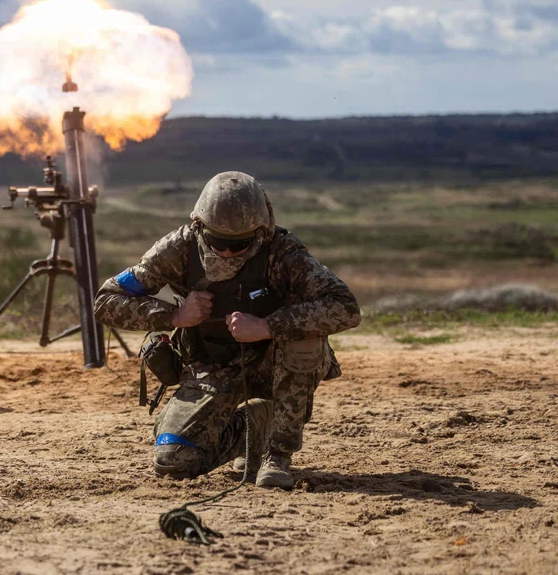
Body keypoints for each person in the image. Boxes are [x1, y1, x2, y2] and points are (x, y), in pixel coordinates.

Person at [94, 171, 361, 489]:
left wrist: (267, 327)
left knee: (304, 340)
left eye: (240, 244)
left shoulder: (282, 253)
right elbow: (106, 302)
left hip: (270, 364)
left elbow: (345, 306)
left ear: (261, 232)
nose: (228, 253)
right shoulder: (177, 248)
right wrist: (175, 315)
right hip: (210, 367)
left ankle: (278, 454)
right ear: (199, 227)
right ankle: (256, 426)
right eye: (218, 242)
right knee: (173, 459)